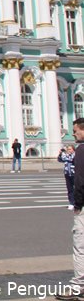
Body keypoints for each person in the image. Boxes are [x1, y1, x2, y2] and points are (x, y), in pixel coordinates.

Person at [56, 119, 84, 300]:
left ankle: (78, 286)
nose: (73, 134)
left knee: (80, 246)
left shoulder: (81, 150)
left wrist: (77, 204)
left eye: (75, 131)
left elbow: (80, 179)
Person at [62, 145, 78, 210]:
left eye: (70, 149)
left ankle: (77, 202)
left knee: (76, 189)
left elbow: (72, 160)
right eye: (68, 149)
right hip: (67, 174)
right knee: (70, 189)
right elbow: (60, 159)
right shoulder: (66, 155)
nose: (69, 150)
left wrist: (65, 156)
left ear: (73, 149)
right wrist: (61, 153)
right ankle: (71, 203)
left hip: (74, 174)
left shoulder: (75, 155)